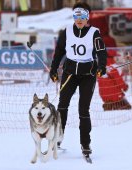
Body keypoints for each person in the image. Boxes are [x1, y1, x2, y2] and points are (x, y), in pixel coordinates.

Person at [49, 2, 107, 155]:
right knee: (62, 106)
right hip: (69, 74)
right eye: (76, 16)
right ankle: (58, 138)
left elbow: (101, 52)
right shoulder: (66, 32)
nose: (79, 19)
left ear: (88, 17)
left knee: (83, 109)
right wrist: (53, 69)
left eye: (82, 16)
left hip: (87, 75)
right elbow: (59, 52)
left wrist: (102, 66)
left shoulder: (94, 32)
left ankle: (85, 144)